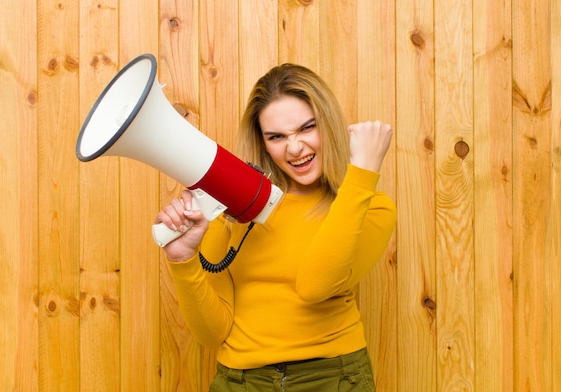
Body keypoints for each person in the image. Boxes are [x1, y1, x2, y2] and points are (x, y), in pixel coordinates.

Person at [155, 63, 397, 391]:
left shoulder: (368, 206)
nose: (294, 148)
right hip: (240, 380)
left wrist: (363, 172)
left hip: (331, 378)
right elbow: (212, 333)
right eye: (277, 137)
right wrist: (183, 260)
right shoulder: (236, 209)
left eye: (307, 128)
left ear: (329, 124)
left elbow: (315, 285)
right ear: (263, 142)